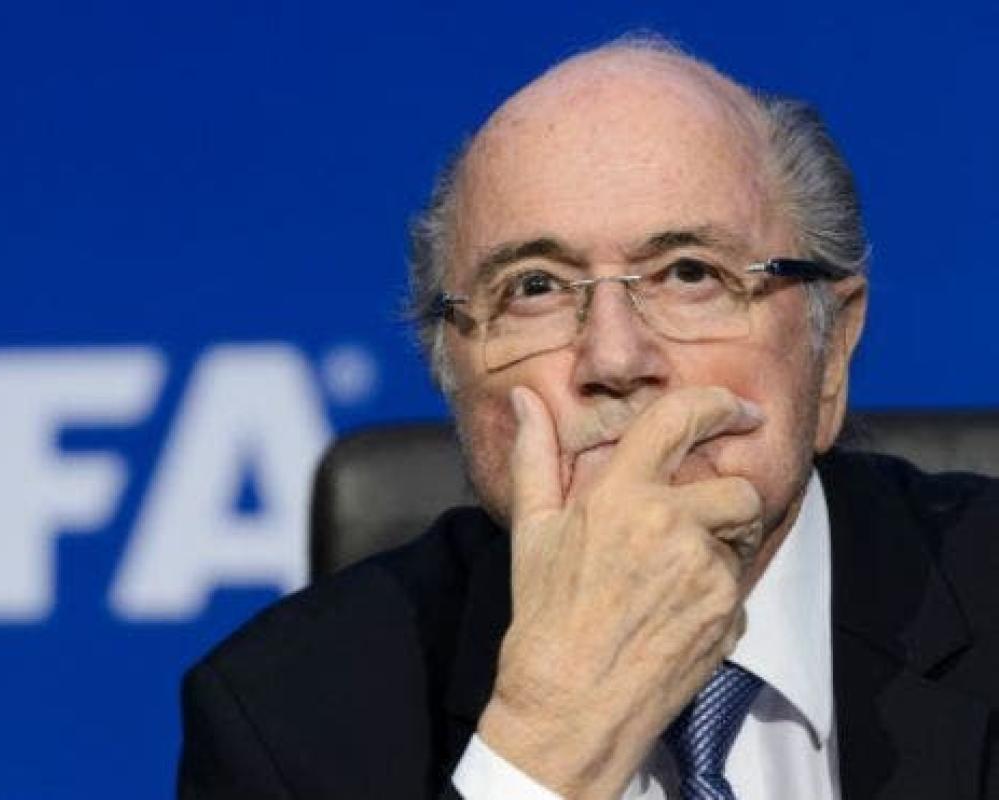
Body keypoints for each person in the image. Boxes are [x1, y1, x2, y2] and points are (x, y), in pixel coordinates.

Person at [178, 34, 999, 799]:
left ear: (830, 353)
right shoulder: (284, 720)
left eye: (689, 274)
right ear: (449, 370)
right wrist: (547, 741)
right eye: (533, 288)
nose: (613, 359)